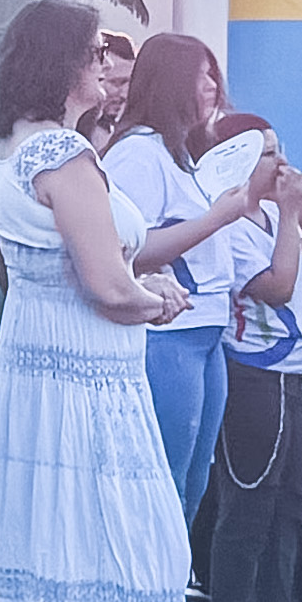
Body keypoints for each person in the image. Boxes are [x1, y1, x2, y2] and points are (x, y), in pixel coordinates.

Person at [0, 0, 214, 602]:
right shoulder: (64, 154)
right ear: (62, 63)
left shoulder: (16, 149)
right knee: (129, 552)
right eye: (95, 51)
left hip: (38, 378)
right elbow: (107, 286)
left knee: (55, 548)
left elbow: (53, 269)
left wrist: (136, 288)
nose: (107, 65)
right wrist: (157, 298)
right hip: (89, 384)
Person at [191, 111, 302, 602]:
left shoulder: (278, 214)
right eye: (269, 153)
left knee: (288, 505)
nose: (282, 162)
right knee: (248, 504)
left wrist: (301, 210)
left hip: (293, 375)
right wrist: (288, 217)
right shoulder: (228, 222)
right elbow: (275, 288)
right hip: (252, 372)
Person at [101, 36, 258, 550]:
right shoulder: (139, 154)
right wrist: (217, 218)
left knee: (192, 481)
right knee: (162, 479)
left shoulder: (182, 153)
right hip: (167, 334)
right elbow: (128, 251)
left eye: (214, 74)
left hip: (205, 332)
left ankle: (170, 581)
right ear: (169, 82)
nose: (212, 86)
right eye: (200, 75)